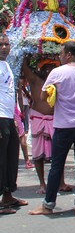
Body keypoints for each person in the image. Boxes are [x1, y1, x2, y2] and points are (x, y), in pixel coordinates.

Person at [29, 42, 75, 216]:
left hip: (63, 125)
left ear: (68, 55)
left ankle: (48, 205)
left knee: (57, 165)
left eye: (61, 54)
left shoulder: (57, 73)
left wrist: (56, 93)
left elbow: (43, 96)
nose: (59, 57)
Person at [21, 58, 71, 194]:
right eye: (46, 67)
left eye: (51, 68)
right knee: (38, 155)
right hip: (38, 119)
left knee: (59, 153)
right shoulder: (34, 79)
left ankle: (61, 182)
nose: (48, 70)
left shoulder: (58, 82)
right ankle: (42, 184)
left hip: (56, 120)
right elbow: (24, 65)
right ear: (40, 69)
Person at [0, 33, 27, 214]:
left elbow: (9, 94)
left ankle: (8, 195)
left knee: (10, 157)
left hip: (9, 118)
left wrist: (16, 118)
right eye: (1, 44)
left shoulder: (7, 65)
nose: (4, 47)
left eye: (6, 44)